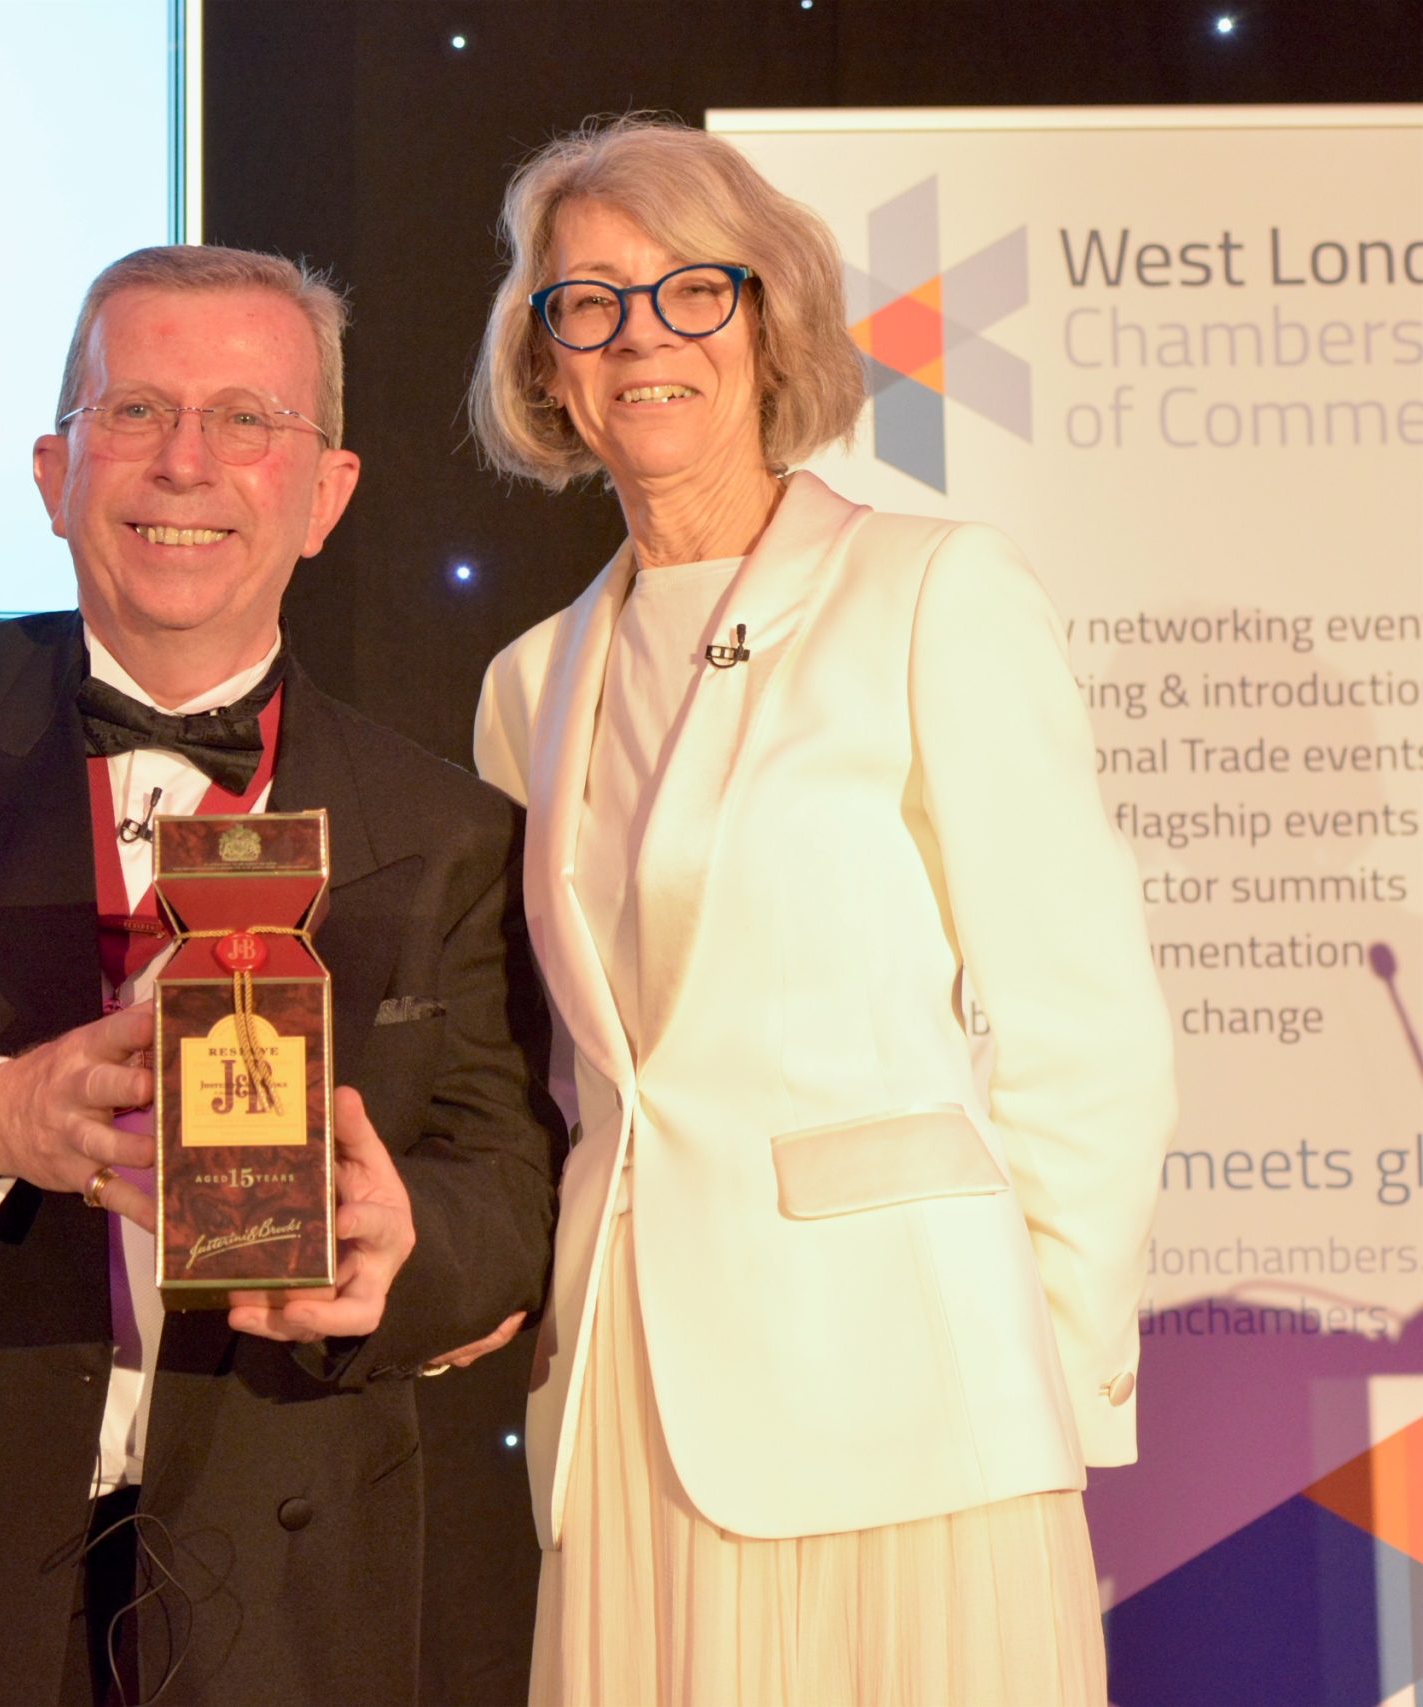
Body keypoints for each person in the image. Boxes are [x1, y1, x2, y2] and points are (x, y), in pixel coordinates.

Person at [0, 244, 561, 1707]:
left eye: (248, 419)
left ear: (325, 494)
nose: (185, 462)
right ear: (52, 473)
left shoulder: (444, 824)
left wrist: (403, 1252)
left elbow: (507, 1183)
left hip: (277, 1585)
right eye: (135, 411)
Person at [466, 116, 1179, 1704]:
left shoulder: (932, 590)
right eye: (589, 301)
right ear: (548, 362)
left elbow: (1086, 1032)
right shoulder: (528, 683)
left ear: (769, 318)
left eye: (689, 291)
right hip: (631, 1408)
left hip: (917, 1410)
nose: (640, 336)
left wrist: (1046, 1381)